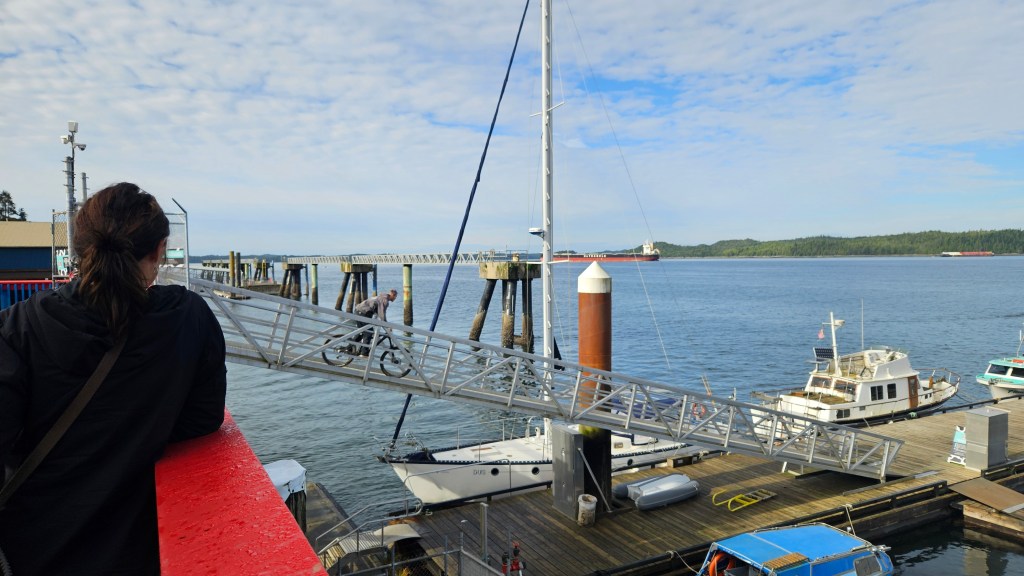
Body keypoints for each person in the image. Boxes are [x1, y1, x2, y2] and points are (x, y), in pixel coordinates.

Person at [0, 183, 227, 575]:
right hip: (136, 552)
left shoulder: (17, 327)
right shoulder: (188, 318)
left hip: (32, 550)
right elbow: (203, 420)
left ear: (78, 250)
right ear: (158, 251)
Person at [353, 289, 398, 355]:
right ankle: (364, 353)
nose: (395, 298)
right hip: (362, 312)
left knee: (362, 332)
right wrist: (387, 326)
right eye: (395, 297)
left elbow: (377, 312)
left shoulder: (381, 297)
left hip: (359, 311)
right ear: (393, 295)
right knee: (369, 332)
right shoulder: (384, 300)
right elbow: (382, 314)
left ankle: (350, 347)